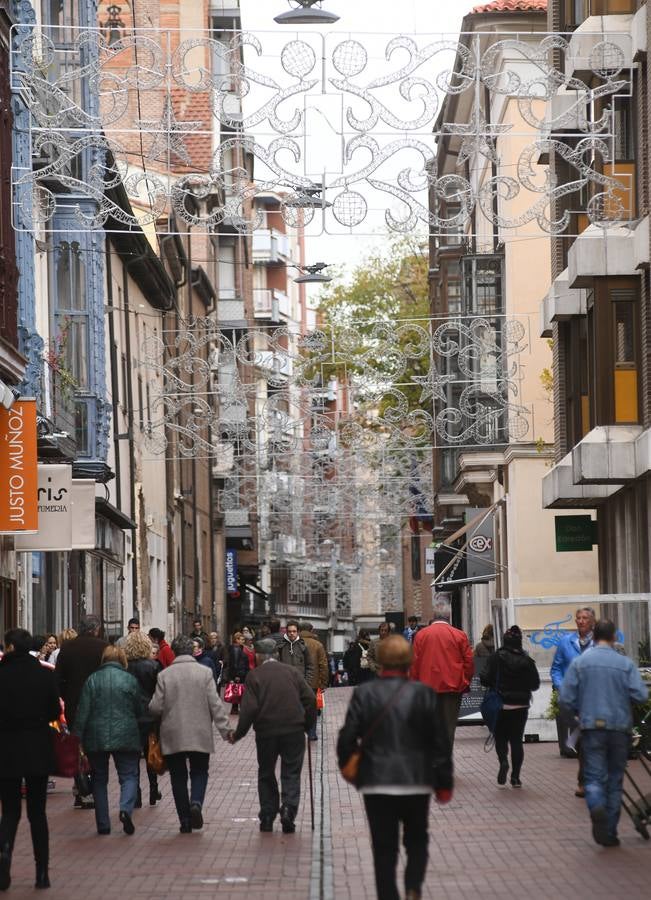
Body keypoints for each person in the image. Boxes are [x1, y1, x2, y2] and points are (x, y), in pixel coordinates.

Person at [337, 635, 453, 900]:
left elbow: (347, 738)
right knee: (416, 839)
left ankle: (388, 895)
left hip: (377, 781)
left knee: (383, 847)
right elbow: (440, 742)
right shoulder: (423, 693)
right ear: (409, 660)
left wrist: (352, 770)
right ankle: (413, 886)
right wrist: (444, 782)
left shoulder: (364, 693)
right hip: (416, 779)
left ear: (381, 661)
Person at [560, 619, 648, 847]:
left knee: (593, 775)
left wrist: (576, 717)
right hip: (619, 728)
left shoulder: (580, 663)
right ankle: (609, 830)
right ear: (614, 637)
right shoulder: (625, 664)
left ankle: (596, 804)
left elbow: (566, 699)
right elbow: (640, 695)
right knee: (615, 778)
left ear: (594, 635)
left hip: (591, 729)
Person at [231, 637, 315, 834]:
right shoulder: (292, 672)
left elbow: (249, 709)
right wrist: (307, 725)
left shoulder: (255, 676)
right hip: (293, 730)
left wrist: (239, 733)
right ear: (276, 655)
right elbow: (310, 699)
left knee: (266, 772)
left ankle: (268, 815)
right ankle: (288, 809)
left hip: (266, 732)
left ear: (259, 656)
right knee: (291, 772)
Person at [149, 636, 232, 833]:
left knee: (178, 776)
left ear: (175, 652)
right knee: (200, 771)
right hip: (199, 731)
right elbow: (215, 704)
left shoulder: (165, 675)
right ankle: (196, 802)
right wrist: (226, 730)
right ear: (191, 651)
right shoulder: (204, 673)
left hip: (173, 732)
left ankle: (185, 820)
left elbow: (155, 707)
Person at [0, 629, 60, 891]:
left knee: (10, 812)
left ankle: (3, 862)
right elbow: (54, 710)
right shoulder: (43, 674)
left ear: (10, 647)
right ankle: (42, 872)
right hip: (38, 747)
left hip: (7, 748)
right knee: (38, 813)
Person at [73, 645, 143, 836]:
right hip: (126, 734)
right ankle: (125, 809)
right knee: (129, 775)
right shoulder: (130, 680)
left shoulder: (92, 680)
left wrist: (77, 738)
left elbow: (83, 712)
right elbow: (140, 709)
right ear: (122, 659)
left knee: (99, 779)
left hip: (96, 735)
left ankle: (103, 824)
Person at [55, 615, 107, 809]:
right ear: (96, 629)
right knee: (96, 745)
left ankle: (81, 786)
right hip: (98, 704)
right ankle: (93, 784)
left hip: (74, 704)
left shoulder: (67, 648)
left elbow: (58, 678)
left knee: (78, 745)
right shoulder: (103, 647)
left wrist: (66, 696)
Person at [410, 596, 474, 753]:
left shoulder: (421, 635)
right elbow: (469, 663)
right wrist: (464, 681)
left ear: (434, 615)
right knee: (448, 727)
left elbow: (414, 664)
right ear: (448, 615)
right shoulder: (459, 635)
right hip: (452, 688)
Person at [480, 626, 540, 788]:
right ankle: (515, 777)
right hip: (521, 706)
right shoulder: (527, 661)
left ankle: (503, 761)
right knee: (516, 741)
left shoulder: (496, 657)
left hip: (501, 705)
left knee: (501, 738)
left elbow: (484, 678)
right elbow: (535, 684)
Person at [550, 606, 596, 797]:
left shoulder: (600, 643)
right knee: (582, 741)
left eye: (585, 618)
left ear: (592, 621)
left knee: (590, 740)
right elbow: (556, 668)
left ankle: (586, 780)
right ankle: (585, 778)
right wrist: (562, 687)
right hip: (573, 699)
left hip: (594, 698)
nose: (580, 621)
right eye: (578, 618)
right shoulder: (565, 642)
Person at [125, 631, 162, 808]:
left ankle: (136, 794)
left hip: (131, 715)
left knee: (133, 756)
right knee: (151, 752)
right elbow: (159, 691)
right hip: (150, 714)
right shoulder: (153, 666)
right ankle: (154, 789)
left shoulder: (124, 666)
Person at [300, 622, 329, 741]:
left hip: (297, 681)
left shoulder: (293, 644)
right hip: (313, 681)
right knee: (312, 708)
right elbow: (323, 664)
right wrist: (323, 682)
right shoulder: (318, 645)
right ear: (311, 630)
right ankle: (312, 732)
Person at [277, 620, 315, 687]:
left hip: (300, 685)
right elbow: (277, 667)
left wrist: (306, 683)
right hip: (285, 685)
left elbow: (310, 666)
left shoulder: (303, 647)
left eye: (294, 631)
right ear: (286, 632)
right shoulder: (281, 647)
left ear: (298, 632)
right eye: (289, 631)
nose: (292, 633)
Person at [226, 631, 249, 714]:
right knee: (239, 692)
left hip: (238, 675)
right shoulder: (236, 650)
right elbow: (235, 664)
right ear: (237, 640)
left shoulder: (236, 649)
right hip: (239, 675)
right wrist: (236, 676)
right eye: (241, 639)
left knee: (237, 693)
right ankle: (237, 709)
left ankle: (235, 709)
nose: (243, 641)